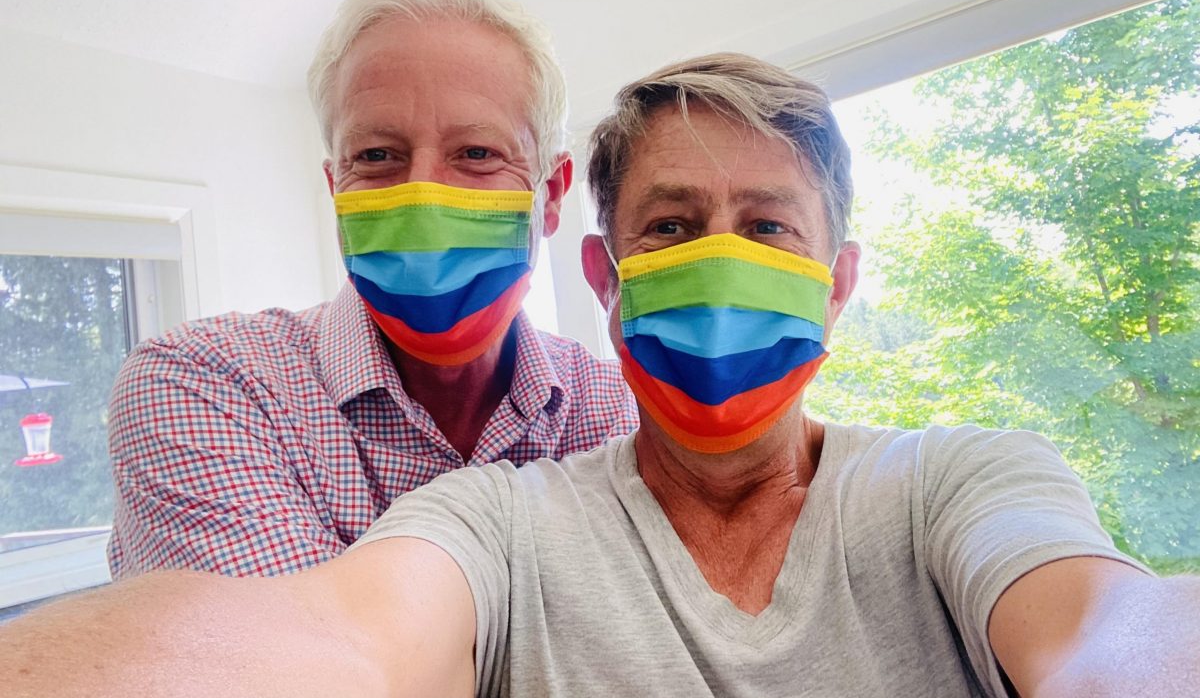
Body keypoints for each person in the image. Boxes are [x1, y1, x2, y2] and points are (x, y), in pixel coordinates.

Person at [4, 53, 1198, 697]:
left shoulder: (961, 480)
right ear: (607, 270)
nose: (720, 262)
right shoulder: (497, 513)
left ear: (838, 281)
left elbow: (1109, 631)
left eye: (768, 227)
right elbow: (334, 642)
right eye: (672, 226)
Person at [104, 0, 637, 579]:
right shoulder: (205, 386)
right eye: (377, 156)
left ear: (550, 195)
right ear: (337, 189)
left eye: (477, 154)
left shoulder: (610, 405)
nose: (423, 196)